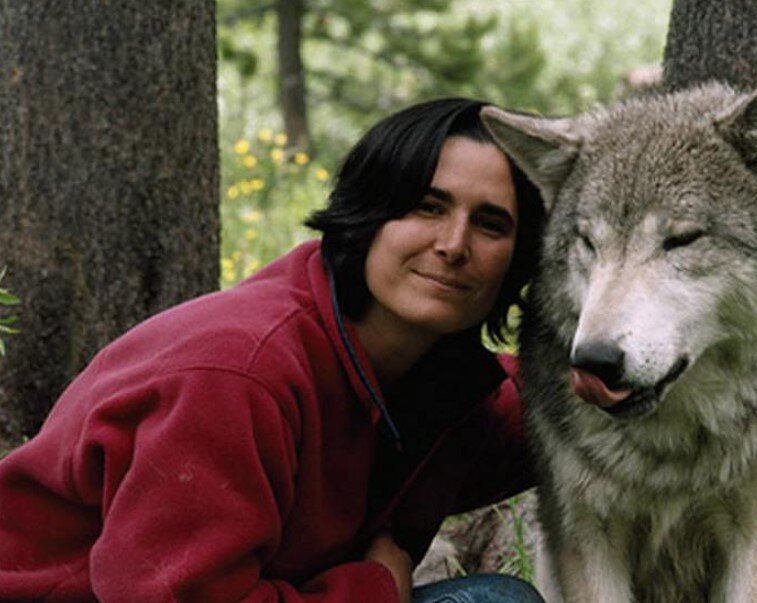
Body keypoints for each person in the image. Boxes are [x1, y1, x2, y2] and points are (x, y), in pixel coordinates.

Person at [0, 98, 546, 602]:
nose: (453, 245)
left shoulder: (436, 384)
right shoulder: (236, 374)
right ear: (369, 213)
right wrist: (372, 591)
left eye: (491, 224)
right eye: (427, 207)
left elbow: (544, 414)